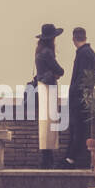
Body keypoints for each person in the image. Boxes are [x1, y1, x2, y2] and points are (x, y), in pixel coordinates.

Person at [63, 27, 95, 169]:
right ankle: (74, 158)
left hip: (79, 98)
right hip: (84, 97)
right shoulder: (89, 53)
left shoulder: (83, 54)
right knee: (81, 129)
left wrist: (73, 94)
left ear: (73, 39)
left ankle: (72, 159)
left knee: (78, 129)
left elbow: (81, 78)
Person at [32, 24, 66, 168]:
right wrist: (56, 74)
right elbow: (60, 70)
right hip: (49, 87)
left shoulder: (39, 52)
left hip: (41, 87)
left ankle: (45, 158)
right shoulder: (48, 52)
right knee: (50, 123)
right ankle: (48, 159)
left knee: (45, 124)